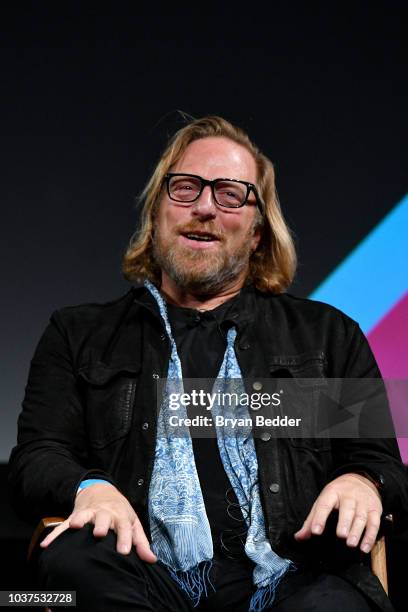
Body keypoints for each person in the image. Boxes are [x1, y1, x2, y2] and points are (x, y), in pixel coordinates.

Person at [8, 116, 408, 612]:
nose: (203, 207)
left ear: (258, 230)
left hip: (296, 579)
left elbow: (380, 462)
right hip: (143, 576)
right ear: (157, 213)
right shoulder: (78, 333)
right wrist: (89, 487)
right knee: (72, 561)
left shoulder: (327, 336)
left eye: (230, 194)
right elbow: (37, 457)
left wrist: (362, 481)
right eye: (185, 188)